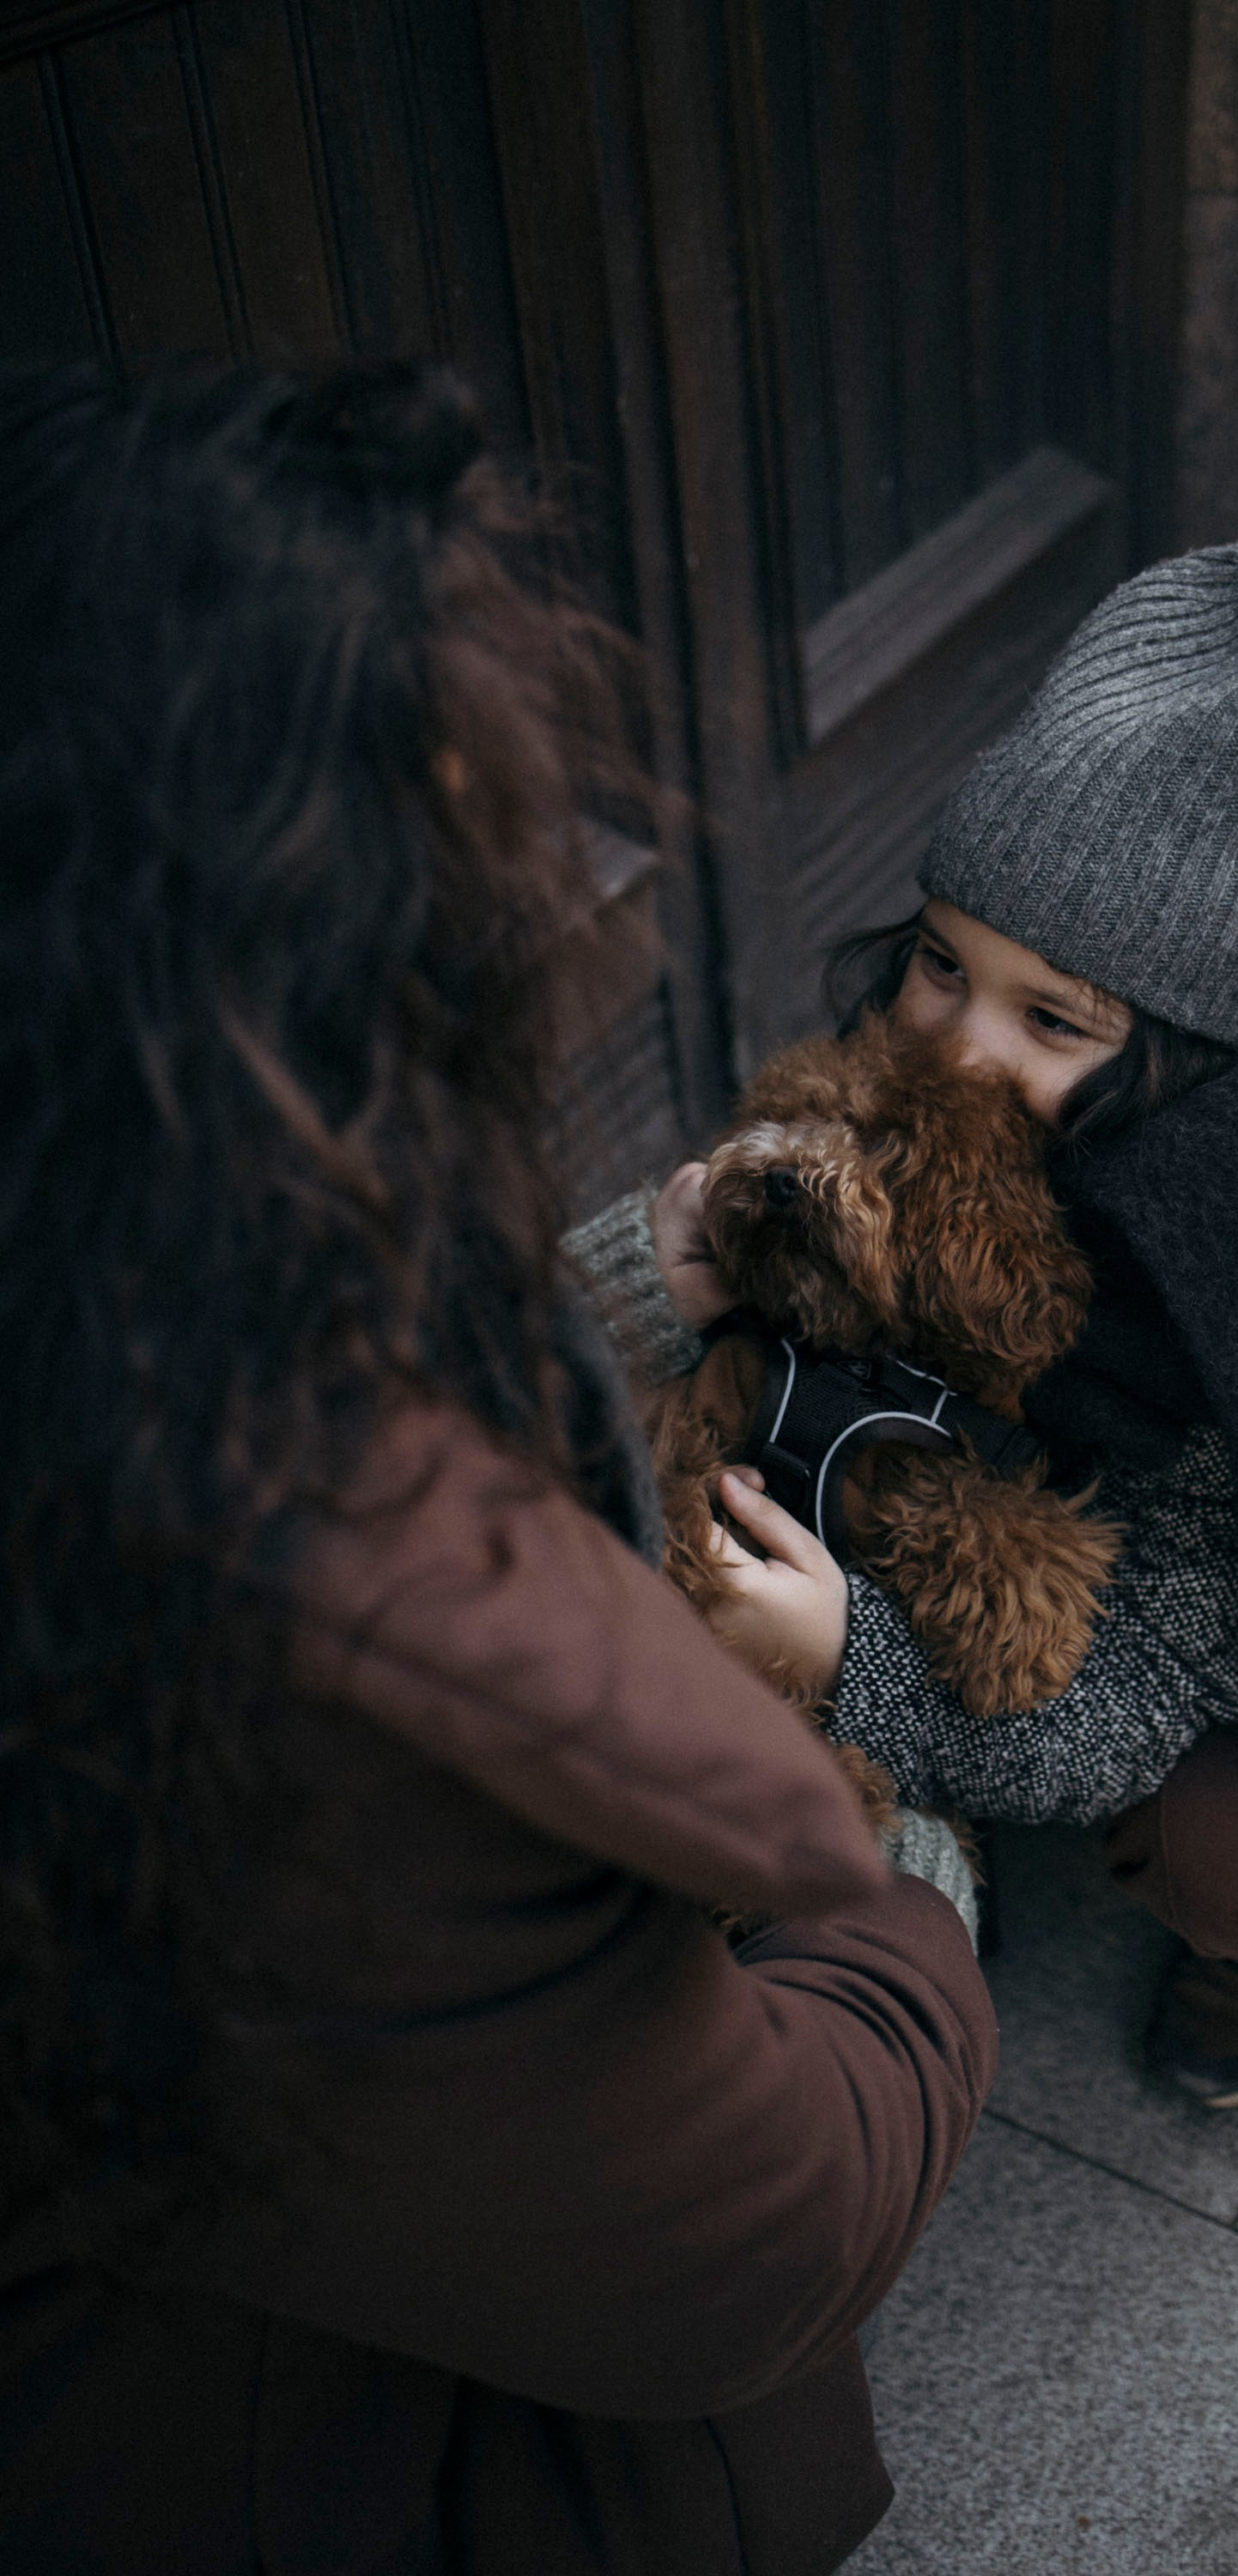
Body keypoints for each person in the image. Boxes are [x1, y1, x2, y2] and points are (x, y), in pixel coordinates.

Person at [0, 359, 997, 2576]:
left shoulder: (102, 1299)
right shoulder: (302, 1693)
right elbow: (737, 2240)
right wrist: (898, 1872)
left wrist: (640, 1275)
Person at [576, 542, 1238, 2117]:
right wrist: (653, 1275)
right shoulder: (903, 1105)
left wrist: (844, 1657)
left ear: (1184, 1059)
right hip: (991, 1524)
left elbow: (1128, 1691)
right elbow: (661, 1319)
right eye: (942, 962)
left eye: (1051, 1020)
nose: (954, 1045)